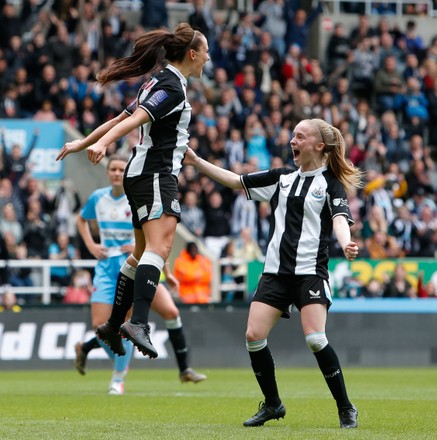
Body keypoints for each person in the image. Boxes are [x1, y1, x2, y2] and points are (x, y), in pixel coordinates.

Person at [184, 118, 362, 429]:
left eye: (300, 136)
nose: (292, 140)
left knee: (316, 339)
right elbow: (236, 181)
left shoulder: (330, 184)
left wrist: (347, 244)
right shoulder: (281, 178)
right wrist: (197, 162)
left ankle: (346, 407)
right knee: (254, 336)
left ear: (319, 146)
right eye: (292, 134)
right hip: (275, 273)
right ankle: (273, 404)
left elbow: (339, 220)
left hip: (310, 273)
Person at [56, 23, 210, 358]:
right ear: (192, 54)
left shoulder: (157, 82)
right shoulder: (171, 86)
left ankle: (113, 325)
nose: (208, 59)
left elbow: (120, 117)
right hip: (156, 174)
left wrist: (84, 141)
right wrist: (102, 144)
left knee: (141, 253)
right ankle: (138, 322)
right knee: (161, 246)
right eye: (206, 52)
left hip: (141, 174)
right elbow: (135, 119)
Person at [74, 155, 206, 394]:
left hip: (138, 265)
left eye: (120, 169)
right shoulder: (98, 198)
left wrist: (166, 271)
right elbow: (81, 220)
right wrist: (92, 246)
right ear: (108, 172)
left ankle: (121, 378)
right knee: (100, 325)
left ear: (126, 173)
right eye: (112, 169)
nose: (116, 173)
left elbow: (154, 242)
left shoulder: (136, 198)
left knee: (167, 312)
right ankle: (88, 349)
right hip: (107, 267)